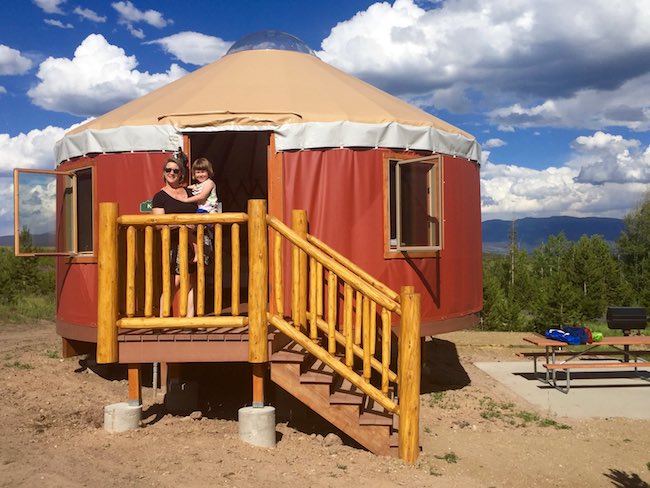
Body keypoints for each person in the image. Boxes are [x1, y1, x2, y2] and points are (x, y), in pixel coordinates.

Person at [151, 157, 197, 317]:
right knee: (175, 281)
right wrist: (181, 224)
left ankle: (190, 320)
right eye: (168, 170)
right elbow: (158, 223)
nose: (172, 173)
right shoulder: (160, 197)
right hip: (173, 243)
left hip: (193, 242)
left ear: (181, 174)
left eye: (176, 171)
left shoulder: (190, 192)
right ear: (164, 173)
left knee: (191, 281)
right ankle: (163, 318)